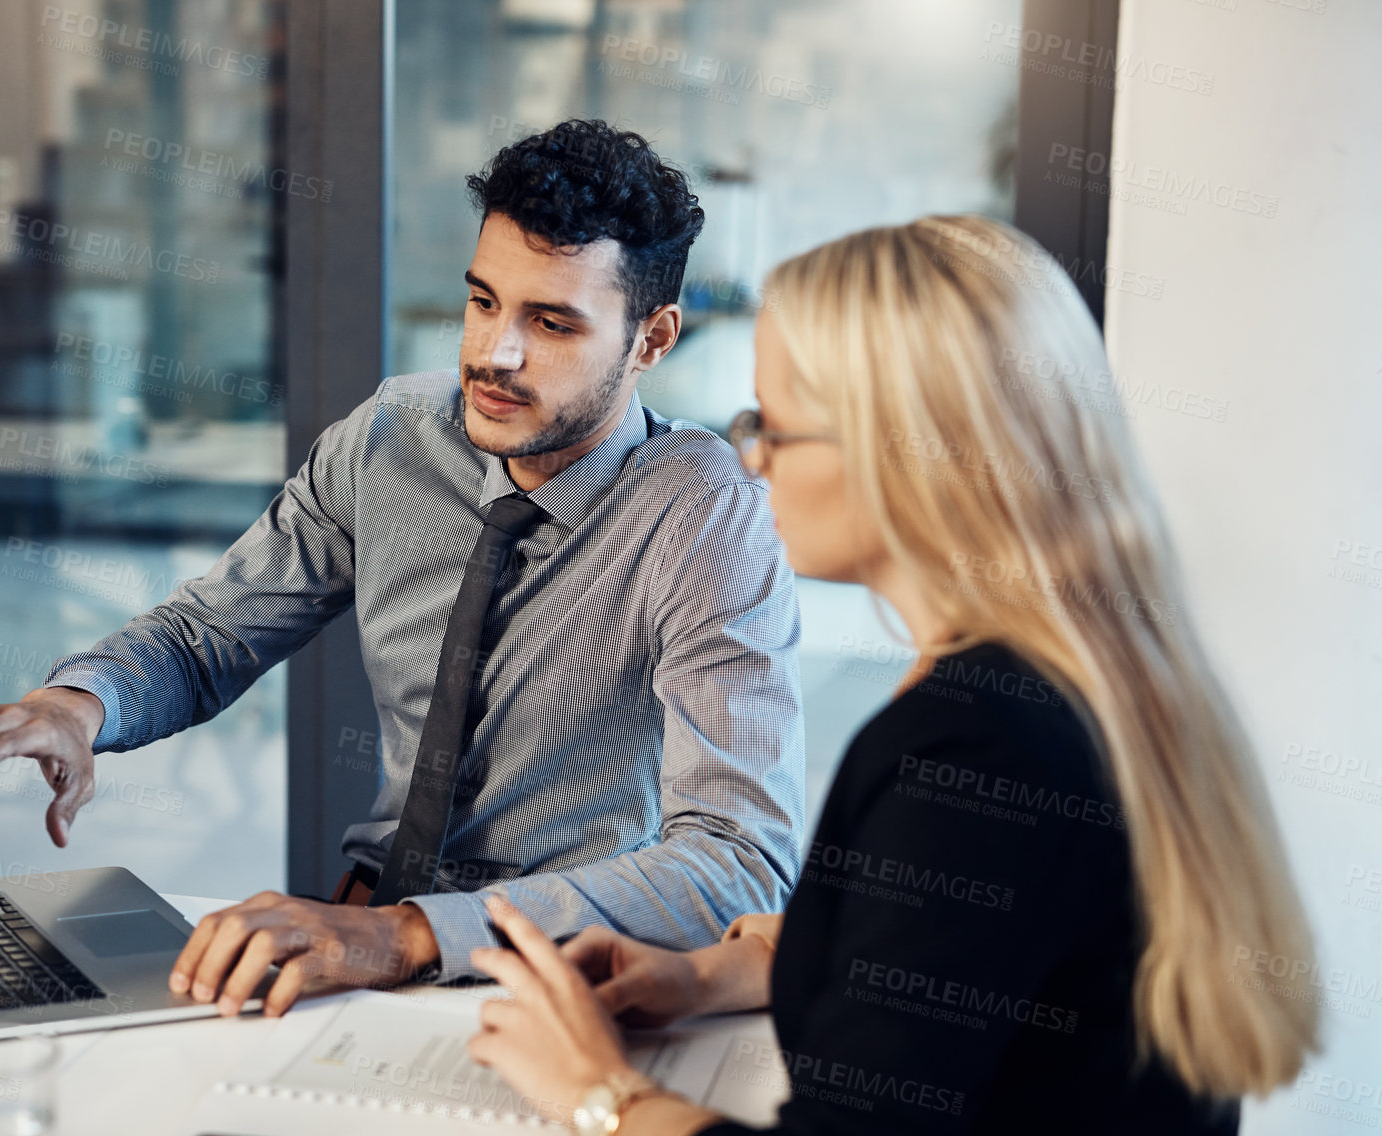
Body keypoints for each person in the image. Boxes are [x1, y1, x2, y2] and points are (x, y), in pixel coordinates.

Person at [0, 120, 806, 1014]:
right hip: (356, 940)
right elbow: (207, 636)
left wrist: (412, 935)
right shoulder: (390, 439)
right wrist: (73, 707)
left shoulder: (704, 514)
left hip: (565, 981)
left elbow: (738, 861)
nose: (494, 354)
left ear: (651, 340)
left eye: (552, 322)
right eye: (483, 301)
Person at [465, 215, 1319, 1135]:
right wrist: (711, 973)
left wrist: (597, 1091)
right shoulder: (1079, 675)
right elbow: (984, 953)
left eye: (775, 428)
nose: (751, 461)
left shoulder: (974, 748)